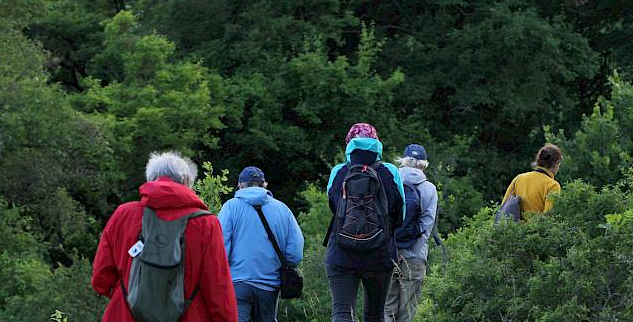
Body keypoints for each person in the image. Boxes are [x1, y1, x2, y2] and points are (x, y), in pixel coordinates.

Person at [92, 151, 237, 321]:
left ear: (150, 180)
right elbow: (218, 288)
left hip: (125, 315)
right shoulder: (206, 223)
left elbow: (101, 278)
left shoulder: (125, 215)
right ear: (186, 182)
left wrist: (133, 296)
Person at [324, 123, 405, 322]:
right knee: (375, 315)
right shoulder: (390, 171)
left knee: (342, 312)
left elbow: (334, 207)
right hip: (380, 254)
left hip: (341, 252)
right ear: (377, 143)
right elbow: (400, 215)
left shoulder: (339, 171)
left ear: (349, 144)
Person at [218, 166, 304, 322]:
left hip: (238, 283)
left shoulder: (230, 207)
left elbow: (220, 250)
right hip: (270, 285)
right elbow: (295, 253)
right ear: (265, 184)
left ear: (240, 185)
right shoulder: (283, 209)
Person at [384, 144, 438, 322]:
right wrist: (409, 251)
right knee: (407, 312)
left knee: (386, 309)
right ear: (424, 164)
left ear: (404, 161)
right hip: (415, 257)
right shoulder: (429, 189)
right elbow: (426, 228)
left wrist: (394, 249)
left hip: (389, 254)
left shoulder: (390, 182)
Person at [500, 144, 563, 219]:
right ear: (557, 163)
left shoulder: (519, 178)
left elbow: (504, 208)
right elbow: (549, 217)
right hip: (537, 230)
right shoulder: (553, 185)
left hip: (515, 229)